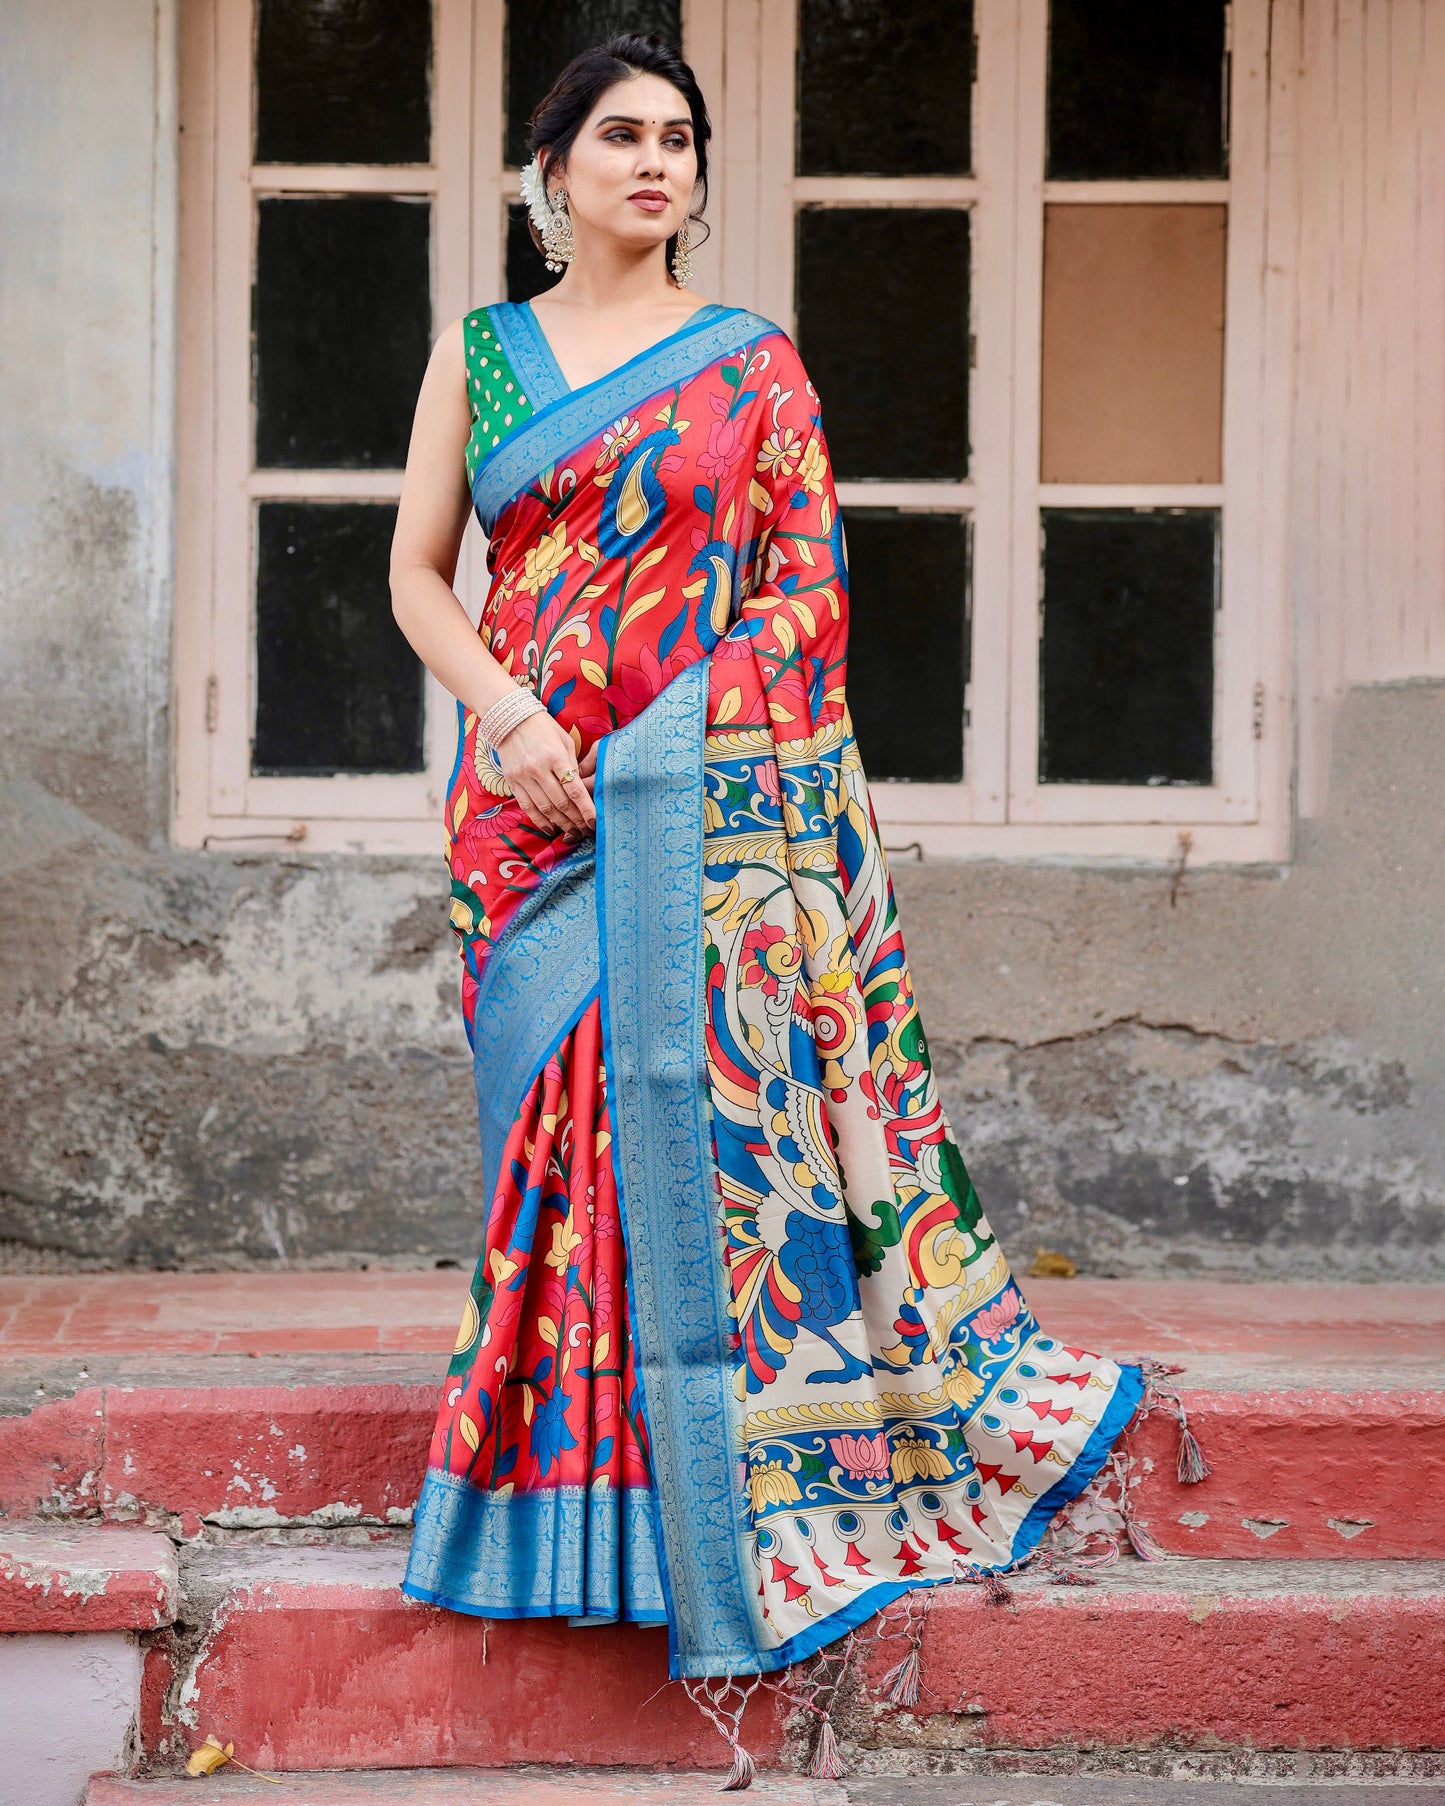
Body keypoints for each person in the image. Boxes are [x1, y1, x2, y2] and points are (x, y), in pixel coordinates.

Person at [389, 31, 1149, 1784]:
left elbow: (805, 594)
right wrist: (511, 719)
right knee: (556, 1152)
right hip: (529, 809)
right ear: (551, 170)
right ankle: (554, 1519)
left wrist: (663, 741)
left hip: (714, 805)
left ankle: (694, 1518)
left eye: (678, 140)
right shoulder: (484, 359)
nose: (654, 163)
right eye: (619, 137)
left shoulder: (753, 368)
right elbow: (420, 573)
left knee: (693, 1145)